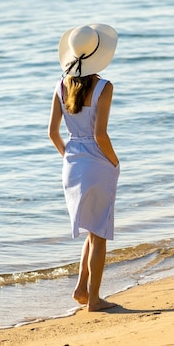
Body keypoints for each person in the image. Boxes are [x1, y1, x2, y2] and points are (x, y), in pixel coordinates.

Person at [48, 24, 120, 311]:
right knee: (99, 233)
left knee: (92, 229)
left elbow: (53, 133)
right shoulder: (104, 87)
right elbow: (100, 135)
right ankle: (94, 299)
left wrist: (70, 157)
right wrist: (113, 161)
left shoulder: (59, 85)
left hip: (71, 165)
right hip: (97, 163)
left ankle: (80, 288)